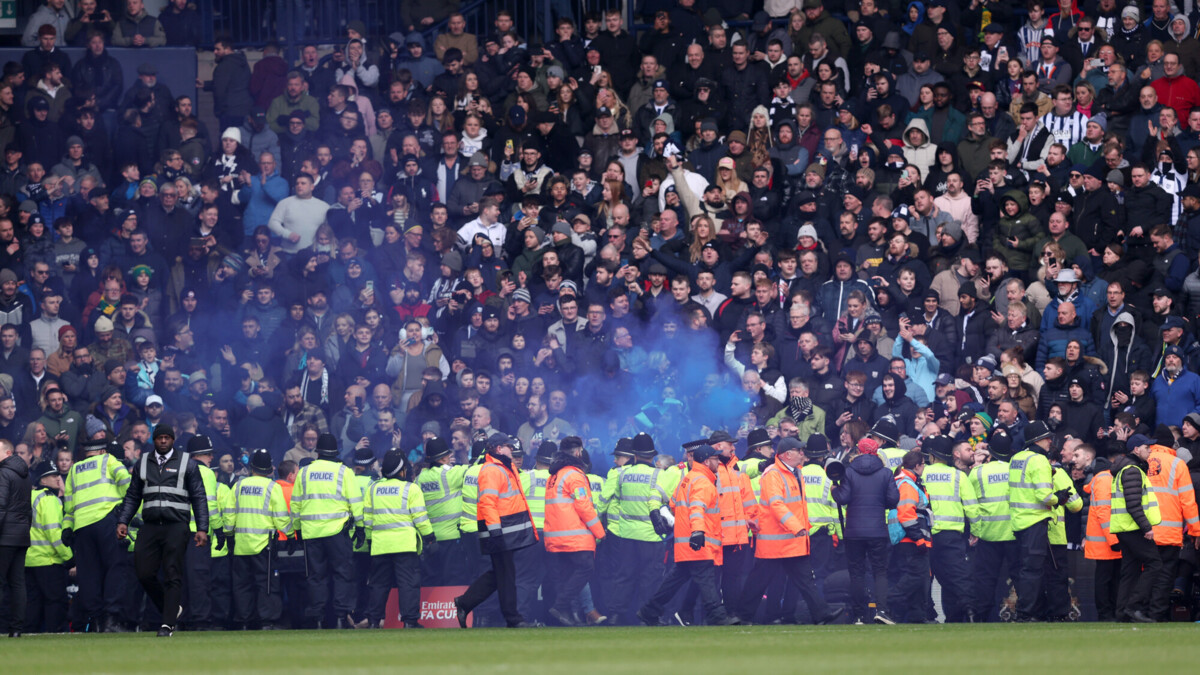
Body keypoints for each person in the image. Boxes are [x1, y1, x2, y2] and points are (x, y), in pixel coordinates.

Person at [115, 424, 209, 637]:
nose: (164, 441)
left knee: (172, 572)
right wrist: (123, 521)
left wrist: (202, 528)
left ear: (173, 440)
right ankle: (171, 609)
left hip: (177, 525)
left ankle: (167, 625)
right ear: (155, 440)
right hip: (149, 526)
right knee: (143, 572)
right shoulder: (143, 463)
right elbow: (132, 496)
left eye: (167, 437)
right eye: (160, 438)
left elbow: (199, 497)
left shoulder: (188, 463)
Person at [736, 437, 842, 625]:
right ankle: (742, 615)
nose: (803, 453)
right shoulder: (773, 474)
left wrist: (800, 529)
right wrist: (797, 527)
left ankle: (821, 614)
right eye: (799, 450)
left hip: (790, 541)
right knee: (759, 581)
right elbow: (776, 505)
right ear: (787, 454)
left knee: (804, 580)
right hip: (776, 542)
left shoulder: (796, 473)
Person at [636, 444, 739, 626]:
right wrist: (698, 531)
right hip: (699, 541)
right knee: (706, 579)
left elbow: (674, 504)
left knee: (675, 581)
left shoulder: (689, 478)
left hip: (686, 542)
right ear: (707, 461)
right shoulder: (703, 481)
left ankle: (649, 611)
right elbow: (697, 508)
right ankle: (717, 615)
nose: (718, 461)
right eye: (715, 459)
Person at [454, 433, 539, 628]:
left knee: (500, 574)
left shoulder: (503, 468)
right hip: (499, 531)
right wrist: (495, 533)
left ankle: (465, 602)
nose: (512, 450)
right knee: (506, 574)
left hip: (505, 530)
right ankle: (513, 618)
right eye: (509, 447)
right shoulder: (492, 470)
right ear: (499, 448)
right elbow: (488, 503)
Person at [291, 432, 364, 629]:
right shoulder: (344, 472)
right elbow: (355, 501)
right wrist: (360, 527)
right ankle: (340, 617)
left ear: (318, 452)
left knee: (316, 577)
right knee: (342, 574)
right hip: (337, 532)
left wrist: (295, 531)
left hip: (311, 533)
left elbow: (295, 504)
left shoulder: (304, 472)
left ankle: (319, 619)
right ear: (335, 452)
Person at [600, 431, 670, 625]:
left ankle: (616, 615)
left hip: (626, 535)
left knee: (624, 576)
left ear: (635, 455)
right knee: (650, 578)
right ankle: (645, 616)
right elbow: (665, 502)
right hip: (651, 537)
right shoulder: (659, 475)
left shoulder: (621, 474)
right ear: (652, 455)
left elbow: (614, 500)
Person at [62, 436, 131, 633]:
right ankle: (111, 619)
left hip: (82, 527)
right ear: (103, 451)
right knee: (115, 567)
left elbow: (69, 507)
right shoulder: (109, 460)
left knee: (89, 575)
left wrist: (67, 528)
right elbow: (128, 485)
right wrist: (129, 512)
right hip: (106, 520)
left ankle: (96, 621)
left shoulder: (74, 470)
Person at [833, 435, 900, 624]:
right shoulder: (886, 473)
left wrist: (834, 491)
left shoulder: (849, 471)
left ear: (858, 451)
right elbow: (894, 500)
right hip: (877, 530)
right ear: (876, 452)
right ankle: (882, 611)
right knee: (880, 571)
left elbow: (843, 498)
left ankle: (859, 615)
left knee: (857, 573)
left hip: (853, 531)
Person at [364, 449, 433, 629]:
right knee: (408, 584)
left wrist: (370, 539)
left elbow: (368, 520)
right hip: (405, 545)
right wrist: (429, 536)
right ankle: (409, 621)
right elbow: (420, 518)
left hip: (380, 546)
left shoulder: (373, 489)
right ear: (402, 469)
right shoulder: (411, 489)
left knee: (378, 585)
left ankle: (373, 621)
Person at [542, 436, 605, 627]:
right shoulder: (575, 476)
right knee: (585, 569)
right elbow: (584, 506)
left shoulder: (554, 476)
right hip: (574, 536)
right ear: (578, 453)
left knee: (568, 575)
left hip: (556, 537)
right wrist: (600, 532)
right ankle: (561, 606)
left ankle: (572, 612)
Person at [228, 448, 292, 630]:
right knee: (267, 584)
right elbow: (280, 517)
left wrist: (228, 535)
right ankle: (267, 621)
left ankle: (244, 621)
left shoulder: (239, 486)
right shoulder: (273, 488)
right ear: (270, 468)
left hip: (241, 544)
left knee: (242, 585)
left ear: (252, 467)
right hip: (265, 546)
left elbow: (229, 515)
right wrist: (289, 535)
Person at [1006, 420, 1062, 623]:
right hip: (1034, 522)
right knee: (1033, 570)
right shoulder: (1039, 460)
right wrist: (1059, 498)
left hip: (1019, 523)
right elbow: (1044, 495)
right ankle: (1027, 613)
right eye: (1047, 438)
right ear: (1038, 440)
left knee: (1025, 569)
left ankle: (1028, 611)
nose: (1050, 442)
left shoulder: (1016, 458)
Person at [1108, 435, 1163, 622]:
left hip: (1124, 528)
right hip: (1133, 528)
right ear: (1136, 449)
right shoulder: (1132, 470)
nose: (1150, 450)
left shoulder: (1126, 469)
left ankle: (1122, 612)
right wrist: (1146, 527)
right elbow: (1133, 504)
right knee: (1155, 564)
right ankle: (1135, 606)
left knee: (1130, 570)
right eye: (1147, 447)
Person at [923, 437, 977, 622]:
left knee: (925, 577)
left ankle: (926, 615)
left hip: (927, 534)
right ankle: (967, 612)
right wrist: (975, 530)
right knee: (957, 577)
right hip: (952, 535)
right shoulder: (959, 476)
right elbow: (971, 506)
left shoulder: (922, 473)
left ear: (931, 456)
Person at [24, 459, 70, 633]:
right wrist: (69, 557)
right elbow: (54, 534)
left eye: (58, 474)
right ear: (42, 480)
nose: (58, 478)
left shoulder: (29, 497)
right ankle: (54, 635)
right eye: (52, 476)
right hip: (49, 560)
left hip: (29, 560)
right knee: (55, 601)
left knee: (33, 603)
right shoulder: (49, 499)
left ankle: (29, 638)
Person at [416, 436, 467, 585]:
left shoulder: (420, 479)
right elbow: (473, 471)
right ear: (445, 457)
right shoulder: (450, 474)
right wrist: (464, 453)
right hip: (452, 538)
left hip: (430, 540)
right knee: (454, 580)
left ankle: (431, 608)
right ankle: (452, 609)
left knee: (432, 581)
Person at [0, 438, 30, 637]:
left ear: (8, 453)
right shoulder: (25, 475)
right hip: (21, 535)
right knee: (18, 583)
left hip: (4, 536)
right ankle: (16, 630)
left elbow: (0, 506)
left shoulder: (3, 473)